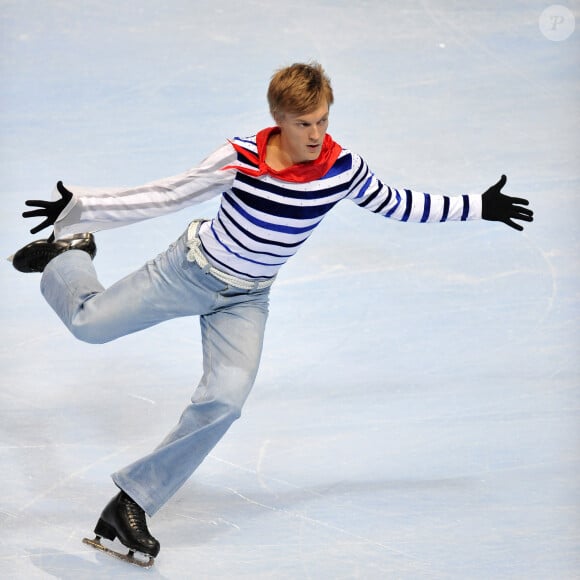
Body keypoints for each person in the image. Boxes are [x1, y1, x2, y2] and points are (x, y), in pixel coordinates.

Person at [12, 62, 533, 564]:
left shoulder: (342, 169)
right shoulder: (239, 157)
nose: (316, 133)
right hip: (187, 272)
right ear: (279, 120)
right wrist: (81, 207)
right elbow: (166, 195)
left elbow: (397, 202)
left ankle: (132, 501)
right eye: (304, 123)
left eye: (323, 120)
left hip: (246, 298)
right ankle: (68, 255)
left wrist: (477, 206)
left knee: (224, 402)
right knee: (89, 325)